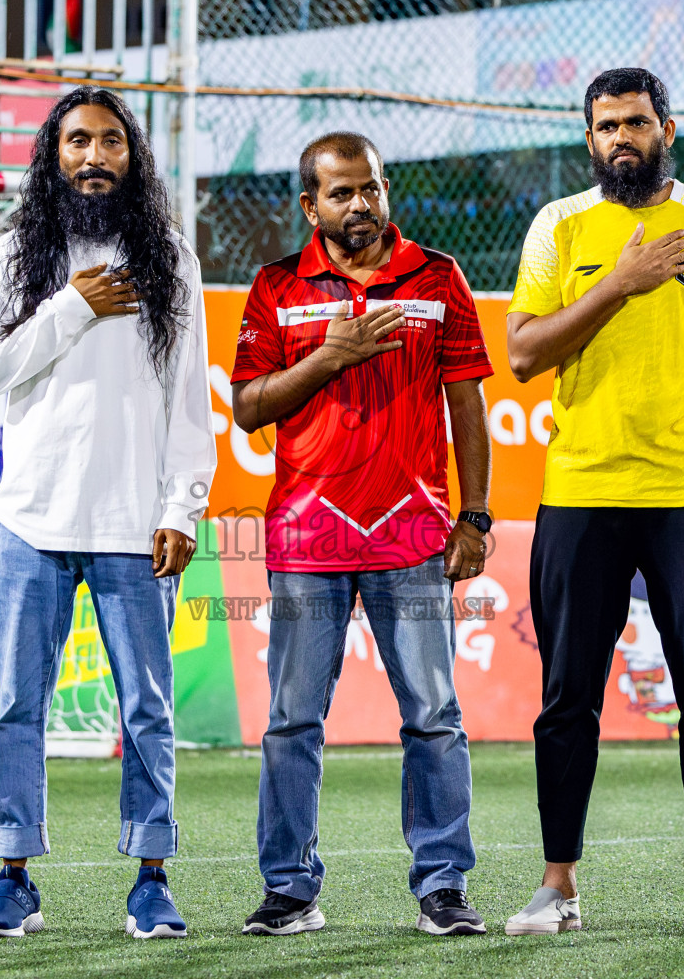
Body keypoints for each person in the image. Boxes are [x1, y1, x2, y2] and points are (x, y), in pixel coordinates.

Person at [502, 67, 684, 939]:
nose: (618, 138)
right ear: (588, 139)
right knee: (566, 698)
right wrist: (618, 282)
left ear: (667, 126)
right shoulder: (559, 226)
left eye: (633, 123)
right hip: (581, 488)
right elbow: (522, 353)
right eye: (604, 127)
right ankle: (559, 886)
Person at [0, 86, 216, 940]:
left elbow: (189, 402)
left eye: (111, 141)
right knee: (18, 709)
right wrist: (71, 306)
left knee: (147, 710)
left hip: (134, 526)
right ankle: (13, 877)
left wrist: (182, 506)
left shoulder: (170, 258)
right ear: (54, 154)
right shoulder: (16, 255)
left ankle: (150, 877)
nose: (94, 156)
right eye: (78, 141)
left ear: (132, 157)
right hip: (31, 523)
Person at [229, 132, 495, 937]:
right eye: (341, 193)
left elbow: (469, 411)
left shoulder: (438, 276)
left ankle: (443, 886)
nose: (360, 205)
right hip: (308, 540)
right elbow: (247, 408)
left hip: (412, 538)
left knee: (434, 716)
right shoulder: (276, 287)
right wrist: (327, 359)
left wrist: (474, 518)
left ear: (386, 191)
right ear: (311, 205)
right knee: (291, 722)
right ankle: (289, 891)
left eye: (370, 189)